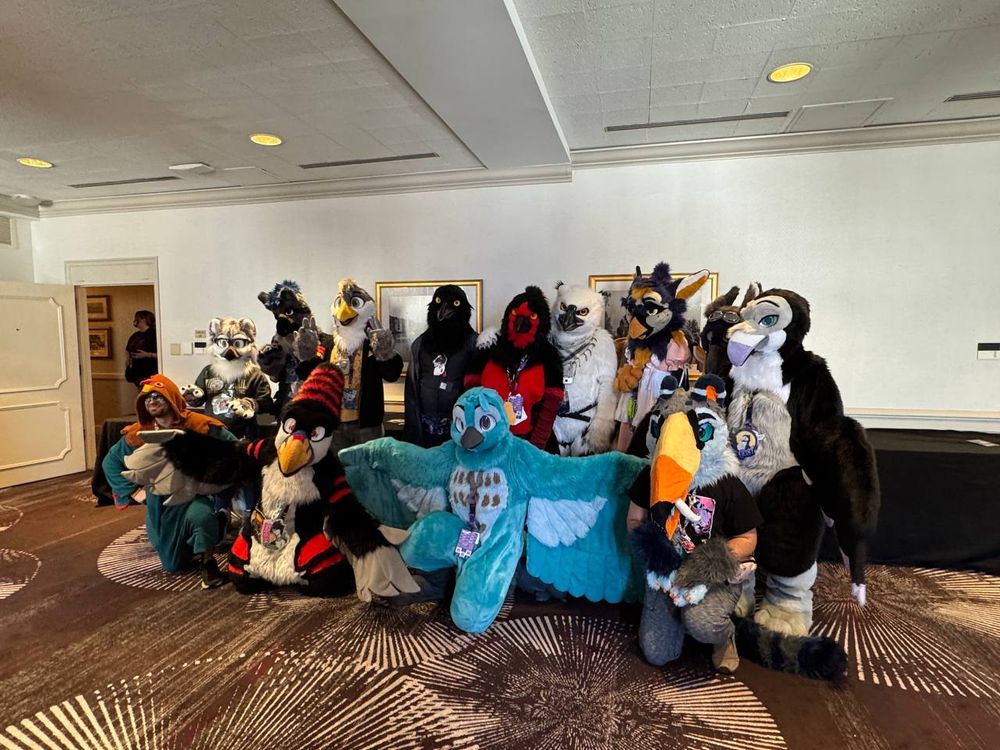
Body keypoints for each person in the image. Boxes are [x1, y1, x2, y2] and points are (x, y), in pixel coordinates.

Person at [102, 374, 235, 589]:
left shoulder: (200, 425)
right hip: (159, 504)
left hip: (195, 495)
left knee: (201, 518)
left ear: (172, 398)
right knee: (173, 564)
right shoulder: (139, 433)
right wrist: (135, 492)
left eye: (158, 396)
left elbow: (235, 449)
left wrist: (218, 479)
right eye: (147, 398)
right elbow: (111, 463)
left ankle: (208, 558)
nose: (152, 401)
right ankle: (209, 530)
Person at [125, 310, 158, 388]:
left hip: (149, 372)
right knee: (141, 393)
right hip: (136, 372)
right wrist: (127, 358)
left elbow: (163, 355)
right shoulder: (136, 335)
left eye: (137, 318)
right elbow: (127, 349)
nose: (135, 321)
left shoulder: (154, 335)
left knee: (148, 394)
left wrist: (147, 355)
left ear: (144, 319)